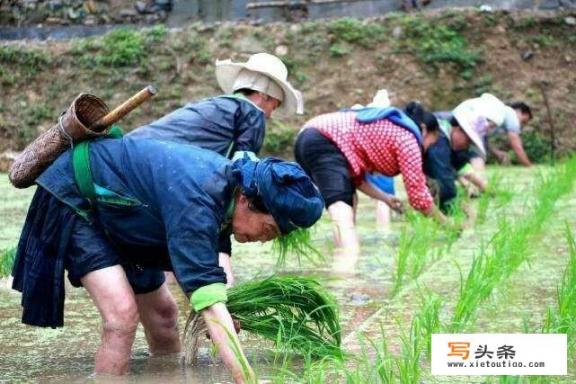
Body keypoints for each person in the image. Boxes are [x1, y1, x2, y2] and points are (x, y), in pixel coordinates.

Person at [11, 136, 323, 383]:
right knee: (121, 315)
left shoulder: (228, 192)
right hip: (79, 199)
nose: (265, 239)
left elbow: (215, 268)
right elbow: (208, 302)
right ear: (247, 200)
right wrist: (248, 379)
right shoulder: (199, 200)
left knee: (163, 316)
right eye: (269, 229)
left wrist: (227, 306)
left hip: (129, 214)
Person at [128, 52, 303, 284]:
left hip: (133, 162)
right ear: (263, 94)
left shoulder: (215, 107)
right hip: (158, 171)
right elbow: (238, 181)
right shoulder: (251, 114)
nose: (271, 113)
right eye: (275, 104)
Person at [294, 105, 447, 273]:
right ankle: (345, 274)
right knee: (341, 207)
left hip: (308, 137)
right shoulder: (409, 139)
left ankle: (344, 262)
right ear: (424, 130)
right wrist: (447, 224)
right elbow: (419, 198)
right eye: (432, 140)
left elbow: (358, 180)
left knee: (348, 201)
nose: (430, 147)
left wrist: (386, 199)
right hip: (323, 139)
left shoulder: (393, 128)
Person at [406, 101, 487, 213]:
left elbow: (459, 168)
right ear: (458, 129)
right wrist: (462, 212)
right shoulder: (439, 143)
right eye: (468, 140)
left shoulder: (448, 139)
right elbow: (445, 188)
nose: (467, 145)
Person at [486, 101, 533, 167]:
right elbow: (517, 147)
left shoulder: (499, 114)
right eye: (523, 122)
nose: (520, 125)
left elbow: (479, 139)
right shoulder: (512, 116)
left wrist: (497, 153)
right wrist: (529, 166)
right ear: (519, 112)